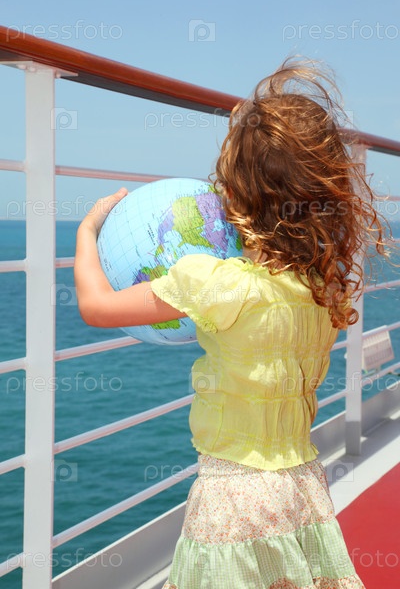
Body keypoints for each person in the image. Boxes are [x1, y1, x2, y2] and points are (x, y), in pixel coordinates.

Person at [74, 58, 388, 588]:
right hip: (299, 486)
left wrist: (88, 231)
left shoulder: (214, 283)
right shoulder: (321, 288)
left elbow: (97, 306)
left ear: (237, 195)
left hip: (231, 496)